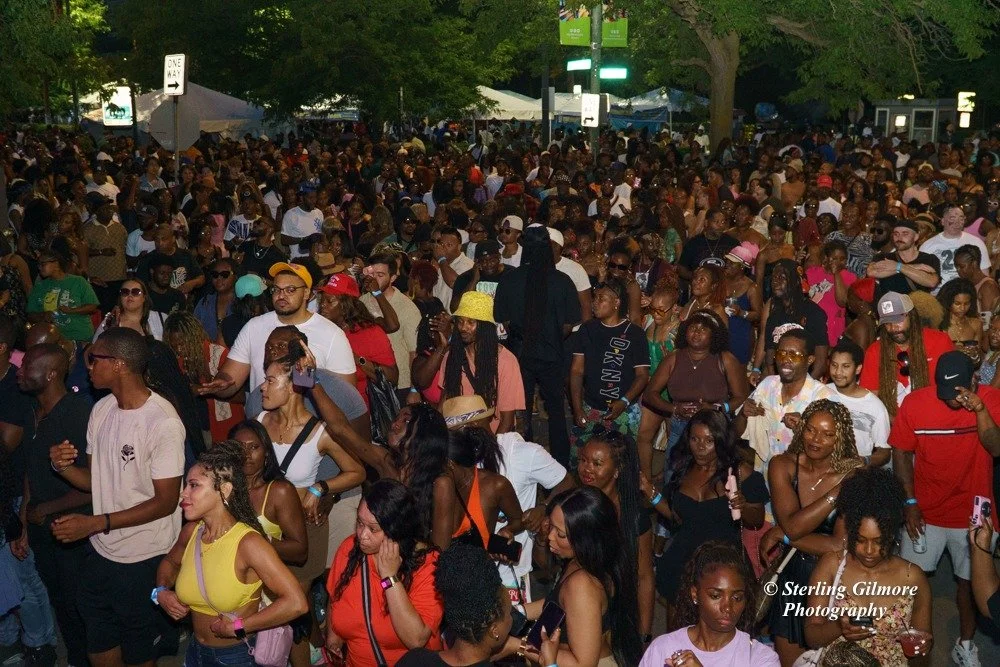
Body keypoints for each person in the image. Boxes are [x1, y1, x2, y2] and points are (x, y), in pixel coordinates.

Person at [48, 327, 185, 665]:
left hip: (144, 557)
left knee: (139, 649)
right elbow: (96, 481)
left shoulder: (162, 422)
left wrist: (96, 523)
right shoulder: (102, 409)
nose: (87, 366)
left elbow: (166, 501)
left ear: (120, 364)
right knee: (99, 639)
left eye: (94, 359)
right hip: (102, 551)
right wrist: (63, 467)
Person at [153, 441, 308, 666]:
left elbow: (297, 603)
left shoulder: (248, 544)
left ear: (224, 490)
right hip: (195, 653)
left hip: (238, 657)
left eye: (194, 485)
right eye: (186, 485)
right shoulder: (191, 533)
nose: (183, 495)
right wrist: (160, 592)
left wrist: (239, 626)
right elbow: (170, 562)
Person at [890, 351, 1000, 666]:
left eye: (958, 392)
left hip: (976, 515)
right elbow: (900, 452)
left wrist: (978, 410)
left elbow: (996, 446)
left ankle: (965, 645)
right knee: (910, 586)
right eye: (944, 392)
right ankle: (909, 648)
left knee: (971, 588)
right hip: (925, 512)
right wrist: (909, 502)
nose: (951, 400)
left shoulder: (992, 400)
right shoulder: (916, 404)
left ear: (975, 380)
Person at [763, 399, 862, 666]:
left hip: (835, 580)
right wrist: (835, 493)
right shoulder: (782, 465)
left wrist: (782, 535)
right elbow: (794, 525)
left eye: (828, 434)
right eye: (811, 429)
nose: (816, 439)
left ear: (840, 438)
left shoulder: (855, 473)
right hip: (793, 576)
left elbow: (839, 546)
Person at [803, 468, 933, 665]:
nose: (869, 550)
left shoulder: (913, 577)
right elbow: (812, 636)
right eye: (861, 540)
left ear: (891, 535)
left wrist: (924, 646)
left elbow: (923, 643)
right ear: (851, 532)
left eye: (879, 541)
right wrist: (839, 627)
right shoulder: (831, 565)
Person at [645, 410, 768, 611]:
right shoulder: (683, 469)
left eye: (709, 440)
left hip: (723, 568)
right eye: (695, 439)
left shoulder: (739, 472)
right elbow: (678, 519)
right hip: (682, 566)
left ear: (720, 441)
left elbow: (757, 520)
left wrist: (742, 506)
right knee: (679, 635)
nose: (700, 447)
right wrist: (651, 493)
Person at [16, 343, 92, 667]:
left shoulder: (76, 412)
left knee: (81, 607)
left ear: (49, 374)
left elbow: (93, 487)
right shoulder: (33, 411)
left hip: (74, 530)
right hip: (43, 531)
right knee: (61, 603)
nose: (20, 371)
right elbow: (30, 476)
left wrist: (44, 511)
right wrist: (23, 522)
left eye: (27, 366)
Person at [513, 486, 642, 667]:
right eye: (550, 526)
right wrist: (517, 613)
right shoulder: (585, 560)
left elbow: (582, 664)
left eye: (561, 534)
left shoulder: (582, 586)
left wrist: (516, 645)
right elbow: (558, 603)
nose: (550, 536)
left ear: (586, 538)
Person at [199, 262, 357, 404]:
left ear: (307, 293)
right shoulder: (254, 327)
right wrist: (221, 383)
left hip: (312, 431)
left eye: (290, 290)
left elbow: (348, 400)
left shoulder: (332, 335)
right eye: (276, 289)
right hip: (262, 427)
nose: (281, 296)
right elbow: (230, 379)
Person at [325, 479, 444, 667]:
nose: (362, 535)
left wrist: (389, 577)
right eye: (359, 522)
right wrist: (333, 636)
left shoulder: (428, 564)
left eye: (373, 529)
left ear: (395, 530)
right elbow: (335, 597)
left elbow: (416, 640)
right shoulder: (349, 549)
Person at [494, 224, 582, 464]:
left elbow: (502, 316)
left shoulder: (510, 279)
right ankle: (560, 462)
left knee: (520, 411)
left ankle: (519, 461)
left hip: (519, 354)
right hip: (552, 354)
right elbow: (571, 322)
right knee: (556, 411)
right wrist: (550, 335)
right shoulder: (562, 281)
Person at [639, 541, 779, 667]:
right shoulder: (663, 649)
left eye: (737, 597)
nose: (728, 607)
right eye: (715, 596)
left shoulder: (760, 658)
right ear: (695, 594)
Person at [640, 309, 749, 465]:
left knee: (713, 476)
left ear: (714, 334)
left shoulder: (725, 359)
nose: (696, 333)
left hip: (715, 428)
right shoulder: (673, 358)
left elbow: (741, 396)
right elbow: (650, 393)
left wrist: (716, 408)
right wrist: (674, 409)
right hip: (681, 427)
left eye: (703, 329)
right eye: (692, 328)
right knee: (673, 474)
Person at [576, 428, 655, 641]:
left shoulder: (634, 517)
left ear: (617, 470)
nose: (586, 469)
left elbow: (645, 577)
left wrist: (644, 635)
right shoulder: (574, 508)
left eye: (597, 464)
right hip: (580, 609)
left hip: (619, 615)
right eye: (583, 460)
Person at [398, 542, 533, 667]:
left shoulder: (413, 660)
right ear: (494, 631)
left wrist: (519, 646)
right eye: (509, 613)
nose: (511, 618)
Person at [419, 291, 525, 434]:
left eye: (471, 322)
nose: (463, 327)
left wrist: (491, 452)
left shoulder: (506, 361)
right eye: (460, 321)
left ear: (484, 326)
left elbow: (506, 421)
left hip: (491, 438)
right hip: (458, 439)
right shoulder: (452, 356)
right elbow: (445, 401)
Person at [740, 328, 834, 475]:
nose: (785, 360)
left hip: (801, 482)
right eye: (781, 353)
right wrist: (743, 414)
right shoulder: (767, 385)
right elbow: (737, 432)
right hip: (763, 477)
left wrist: (804, 428)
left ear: (809, 360)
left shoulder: (824, 397)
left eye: (794, 355)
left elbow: (835, 448)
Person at [434, 397, 523, 550]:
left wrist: (507, 531)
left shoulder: (495, 484)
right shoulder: (435, 486)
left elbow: (518, 519)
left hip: (480, 572)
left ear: (450, 463)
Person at [570, 278, 650, 446]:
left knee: (620, 463)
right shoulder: (587, 329)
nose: (594, 303)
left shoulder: (635, 334)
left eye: (601, 298)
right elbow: (577, 371)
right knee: (582, 460)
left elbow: (642, 375)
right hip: (591, 407)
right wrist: (577, 407)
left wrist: (624, 401)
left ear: (617, 303)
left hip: (624, 411)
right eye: (595, 297)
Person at [858, 291, 954, 416]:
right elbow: (871, 399)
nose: (893, 328)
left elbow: (954, 388)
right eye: (887, 323)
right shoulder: (875, 351)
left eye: (898, 320)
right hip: (894, 422)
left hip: (935, 417)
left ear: (912, 316)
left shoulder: (940, 341)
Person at [228, 420, 308, 565]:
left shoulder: (279, 491)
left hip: (263, 576)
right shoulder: (223, 489)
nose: (247, 454)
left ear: (266, 452)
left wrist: (259, 541)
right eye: (239, 448)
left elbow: (300, 551)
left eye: (254, 447)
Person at [163, 311, 246, 442]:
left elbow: (241, 397)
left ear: (194, 337)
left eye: (182, 344)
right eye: (175, 346)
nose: (179, 350)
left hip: (229, 430)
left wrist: (210, 390)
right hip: (201, 432)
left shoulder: (219, 355)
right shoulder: (178, 362)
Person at [318, 273, 398, 406]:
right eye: (322, 301)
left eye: (329, 301)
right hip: (324, 408)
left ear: (346, 305)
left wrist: (356, 358)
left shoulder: (370, 333)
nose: (322, 306)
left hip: (360, 413)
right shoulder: (319, 330)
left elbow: (393, 377)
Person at [360, 252, 421, 397]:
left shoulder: (407, 307)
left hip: (400, 385)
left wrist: (414, 389)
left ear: (392, 278)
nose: (374, 279)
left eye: (380, 275)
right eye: (372, 274)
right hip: (370, 382)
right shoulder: (362, 302)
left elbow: (414, 352)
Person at [756, 259, 829, 380]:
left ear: (795, 281)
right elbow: (769, 361)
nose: (775, 281)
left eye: (782, 277)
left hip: (807, 383)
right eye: (774, 277)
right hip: (779, 384)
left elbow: (820, 364)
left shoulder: (813, 312)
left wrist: (801, 391)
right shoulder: (774, 316)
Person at [825, 339, 892, 467]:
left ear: (858, 369)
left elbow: (884, 452)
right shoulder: (821, 393)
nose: (838, 372)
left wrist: (863, 461)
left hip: (853, 476)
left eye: (845, 366)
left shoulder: (874, 406)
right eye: (834, 365)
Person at [26, 247, 99, 344]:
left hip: (79, 336)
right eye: (38, 265)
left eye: (43, 264)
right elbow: (30, 314)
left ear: (56, 263)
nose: (39, 268)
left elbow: (92, 306)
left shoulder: (78, 281)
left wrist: (72, 310)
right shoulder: (40, 287)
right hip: (53, 338)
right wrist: (43, 315)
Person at [866, 218, 941, 303]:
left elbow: (931, 282)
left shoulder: (929, 259)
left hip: (918, 311)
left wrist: (898, 266)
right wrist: (914, 267)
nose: (899, 238)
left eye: (905, 234)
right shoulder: (883, 257)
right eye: (896, 234)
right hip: (890, 310)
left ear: (916, 236)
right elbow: (872, 272)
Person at [921, 205, 991, 293]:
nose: (957, 222)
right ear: (942, 221)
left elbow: (984, 276)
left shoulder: (976, 243)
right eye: (952, 218)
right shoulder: (928, 246)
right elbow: (922, 278)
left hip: (967, 295)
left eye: (961, 219)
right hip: (937, 295)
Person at [83, 192, 128, 313]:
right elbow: (82, 252)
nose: (109, 211)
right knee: (101, 313)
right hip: (100, 280)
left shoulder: (120, 228)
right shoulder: (87, 229)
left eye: (109, 208)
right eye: (104, 209)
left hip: (119, 278)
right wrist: (101, 252)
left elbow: (125, 249)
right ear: (96, 212)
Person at [806, 241, 857, 346]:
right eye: (834, 258)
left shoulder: (849, 277)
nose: (838, 262)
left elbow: (842, 301)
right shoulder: (812, 273)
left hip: (833, 327)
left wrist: (836, 273)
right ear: (825, 258)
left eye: (842, 259)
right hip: (812, 324)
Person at [136, 224, 205, 297]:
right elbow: (139, 285)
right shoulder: (148, 259)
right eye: (157, 240)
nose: (160, 243)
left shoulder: (185, 255)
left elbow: (201, 278)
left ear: (173, 239)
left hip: (181, 302)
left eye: (164, 239)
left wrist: (192, 283)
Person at [677, 208, 739, 282]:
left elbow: (740, 269)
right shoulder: (693, 244)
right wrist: (697, 278)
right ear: (706, 223)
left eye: (723, 222)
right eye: (716, 222)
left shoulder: (732, 243)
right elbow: (682, 269)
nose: (720, 225)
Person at [93, 277, 164, 341]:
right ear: (120, 298)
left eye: (135, 292)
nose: (130, 295)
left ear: (144, 297)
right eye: (125, 292)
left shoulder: (161, 318)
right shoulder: (110, 321)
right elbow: (97, 346)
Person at [937, 277, 985, 364]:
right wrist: (953, 348)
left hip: (967, 372)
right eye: (957, 303)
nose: (962, 308)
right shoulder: (938, 323)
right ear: (948, 302)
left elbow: (978, 358)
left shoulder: (976, 324)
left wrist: (975, 355)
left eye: (966, 303)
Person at [193, 257, 238, 342]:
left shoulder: (244, 302)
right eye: (215, 275)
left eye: (225, 274)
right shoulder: (204, 302)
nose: (219, 279)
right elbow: (193, 331)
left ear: (235, 276)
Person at [431, 226, 474, 315]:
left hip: (456, 319)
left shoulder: (467, 264)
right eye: (441, 244)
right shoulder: (442, 264)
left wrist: (441, 259)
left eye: (449, 245)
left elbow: (454, 283)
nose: (443, 248)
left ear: (459, 247)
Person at [954, 243, 1000, 324]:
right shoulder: (966, 284)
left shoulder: (988, 287)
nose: (958, 270)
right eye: (956, 267)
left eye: (961, 267)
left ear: (974, 264)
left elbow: (987, 324)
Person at [281, 185, 324, 259]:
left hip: (316, 260)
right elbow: (284, 239)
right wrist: (304, 239)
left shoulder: (319, 213)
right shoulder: (291, 214)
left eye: (315, 197)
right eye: (310, 198)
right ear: (302, 198)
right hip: (298, 261)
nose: (314, 201)